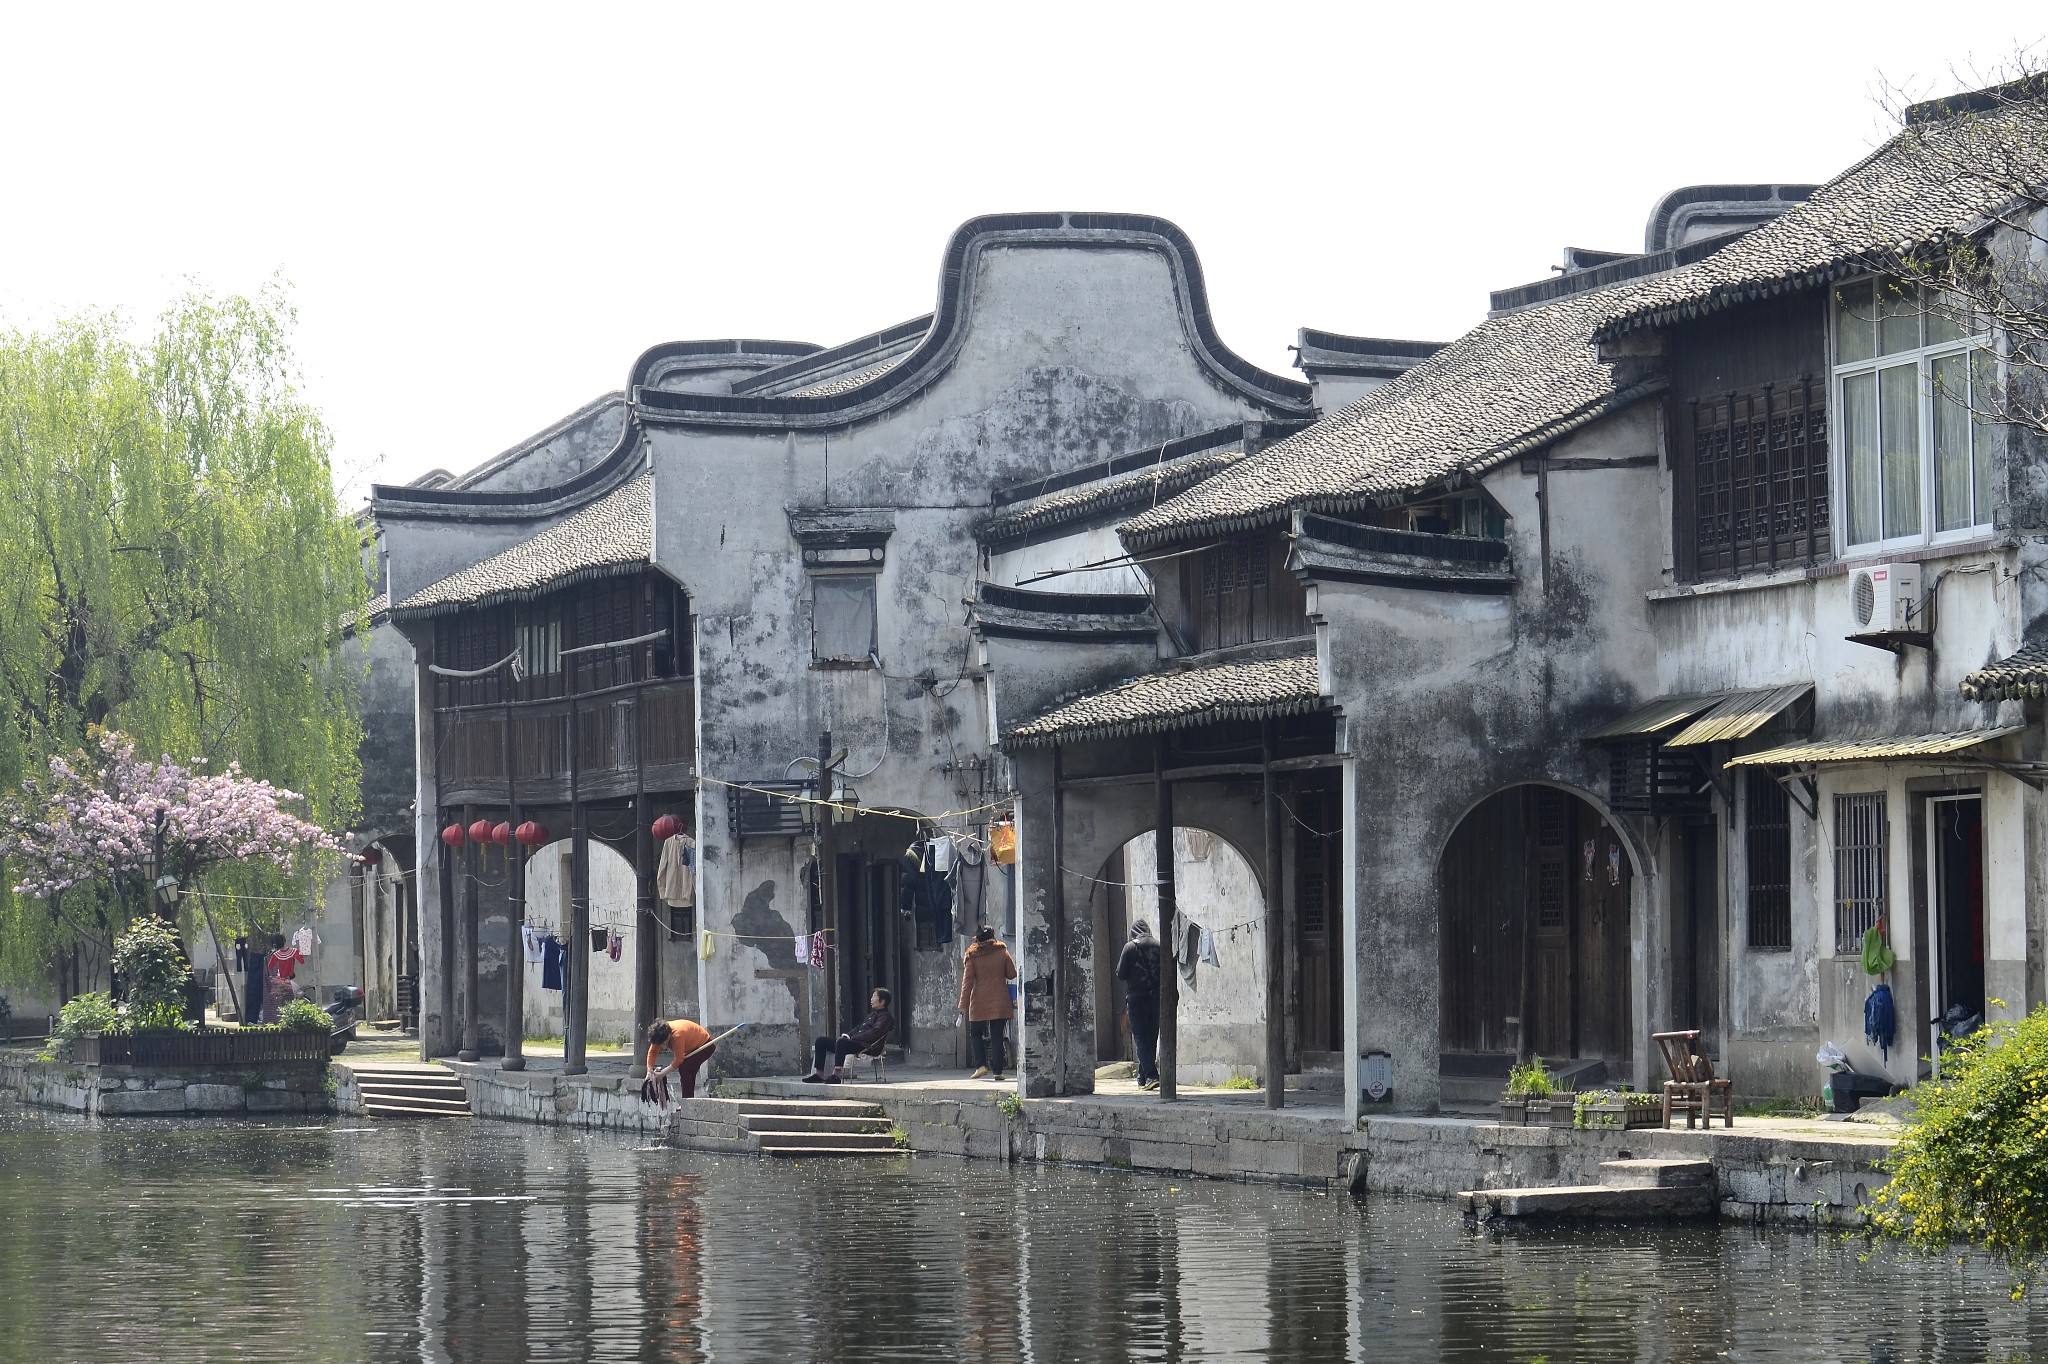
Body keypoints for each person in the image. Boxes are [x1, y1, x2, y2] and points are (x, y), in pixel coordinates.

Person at [957, 925, 1017, 1081]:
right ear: (993, 936)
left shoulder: (972, 955)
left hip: (979, 1000)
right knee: (997, 1035)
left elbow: (967, 983)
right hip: (1000, 999)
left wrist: (963, 1005)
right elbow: (1012, 974)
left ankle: (981, 1066)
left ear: (977, 939)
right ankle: (998, 1071)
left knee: (976, 1033)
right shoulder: (1002, 951)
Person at [803, 989, 894, 1083]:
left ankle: (836, 1075)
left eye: (874, 997)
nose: (871, 999)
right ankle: (819, 1074)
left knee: (841, 1042)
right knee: (821, 1041)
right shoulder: (872, 1015)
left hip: (868, 1046)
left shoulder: (885, 1017)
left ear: (882, 1001)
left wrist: (853, 1038)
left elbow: (874, 1033)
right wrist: (847, 1036)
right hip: (856, 1042)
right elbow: (858, 1028)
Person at [1116, 919, 1162, 1090]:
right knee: (1151, 1036)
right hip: (1156, 997)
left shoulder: (1130, 947)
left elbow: (1121, 974)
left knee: (1140, 1036)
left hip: (1136, 997)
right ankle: (1142, 1077)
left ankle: (1151, 1075)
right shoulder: (1159, 946)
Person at [646, 1017, 717, 1099]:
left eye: (663, 1044)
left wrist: (662, 1074)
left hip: (706, 1045)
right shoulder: (659, 1033)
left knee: (685, 1067)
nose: (662, 1046)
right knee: (688, 1072)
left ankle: (686, 1100)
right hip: (692, 1046)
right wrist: (649, 1071)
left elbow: (679, 1060)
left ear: (668, 1036)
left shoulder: (677, 1035)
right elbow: (652, 1052)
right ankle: (689, 1099)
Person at [262, 933, 306, 1024]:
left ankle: (271, 1024)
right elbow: (291, 972)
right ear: (284, 942)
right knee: (287, 1008)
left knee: (273, 1010)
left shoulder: (268, 958)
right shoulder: (290, 954)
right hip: (286, 985)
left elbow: (266, 976)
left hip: (272, 988)